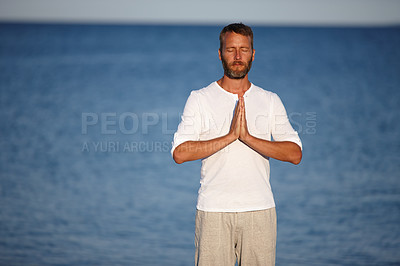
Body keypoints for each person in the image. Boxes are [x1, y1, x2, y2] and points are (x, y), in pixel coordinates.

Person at [171, 23, 302, 266]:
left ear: (253, 53)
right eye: (231, 49)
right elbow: (180, 153)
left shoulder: (269, 100)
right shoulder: (199, 99)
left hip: (260, 211)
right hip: (213, 211)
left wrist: (249, 138)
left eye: (244, 49)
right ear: (220, 54)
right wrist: (230, 137)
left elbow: (295, 154)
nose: (238, 56)